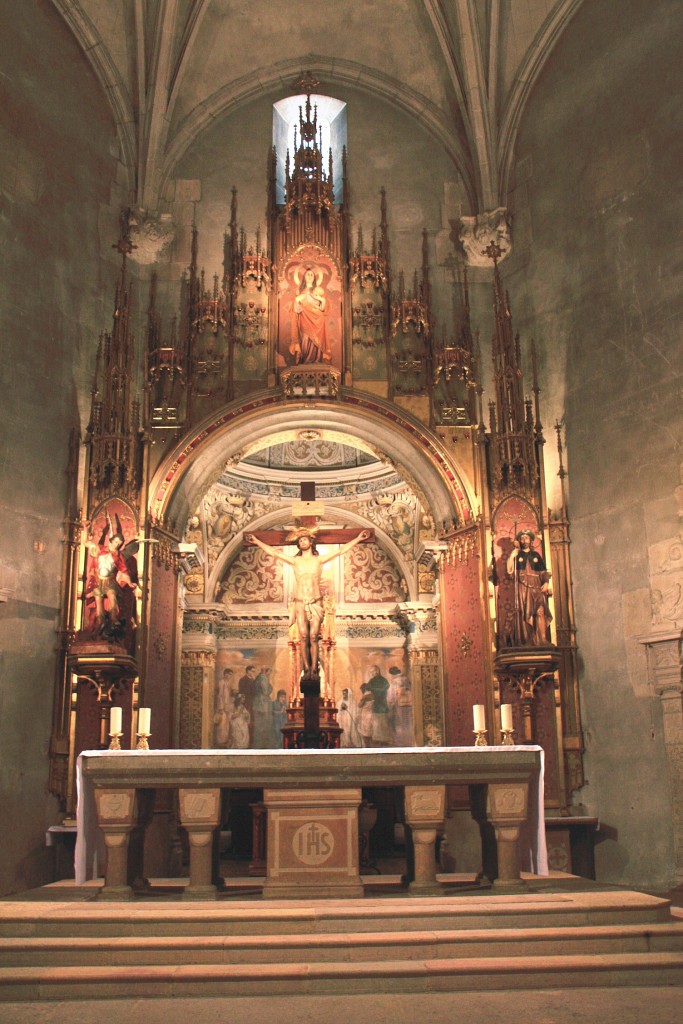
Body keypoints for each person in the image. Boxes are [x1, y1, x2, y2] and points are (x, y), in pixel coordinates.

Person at [245, 527, 371, 680]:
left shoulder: (318, 560)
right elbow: (274, 553)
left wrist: (358, 539)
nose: (302, 542)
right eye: (300, 540)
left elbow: (340, 551)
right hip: (299, 602)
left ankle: (314, 670)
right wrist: (256, 541)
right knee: (303, 636)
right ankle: (306, 669)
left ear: (311, 542)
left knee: (313, 636)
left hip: (315, 601)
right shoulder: (295, 561)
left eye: (304, 539)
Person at [86, 515, 139, 640]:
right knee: (98, 603)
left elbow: (124, 571)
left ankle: (114, 619)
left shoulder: (118, 556)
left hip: (110, 581)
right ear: (111, 541)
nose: (117, 545)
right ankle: (101, 623)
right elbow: (86, 543)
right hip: (98, 581)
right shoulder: (99, 550)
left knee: (112, 597)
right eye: (116, 542)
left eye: (119, 544)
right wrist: (85, 528)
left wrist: (129, 583)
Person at [506, 529, 552, 646]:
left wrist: (546, 582)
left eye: (526, 538)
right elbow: (510, 572)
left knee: (540, 611)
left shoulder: (536, 555)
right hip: (522, 588)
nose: (524, 540)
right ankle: (527, 641)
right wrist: (511, 556)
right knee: (524, 613)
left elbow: (543, 572)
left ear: (531, 540)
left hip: (536, 587)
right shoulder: (517, 555)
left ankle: (542, 639)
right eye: (522, 538)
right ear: (519, 541)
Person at [290, 267, 331, 364]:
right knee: (305, 337)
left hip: (318, 319)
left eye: (312, 274)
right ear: (304, 277)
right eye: (308, 274)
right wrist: (297, 300)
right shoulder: (299, 291)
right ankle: (305, 361)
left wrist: (322, 300)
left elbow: (323, 309)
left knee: (318, 341)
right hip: (304, 317)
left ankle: (317, 361)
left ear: (314, 278)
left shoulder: (319, 290)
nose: (310, 276)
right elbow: (295, 308)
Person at [252, 666, 275, 748]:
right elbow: (265, 691)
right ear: (266, 672)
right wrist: (270, 688)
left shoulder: (258, 678)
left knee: (259, 725)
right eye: (269, 672)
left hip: (258, 703)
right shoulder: (263, 678)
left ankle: (259, 744)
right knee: (263, 724)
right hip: (262, 704)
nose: (270, 674)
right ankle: (262, 744)